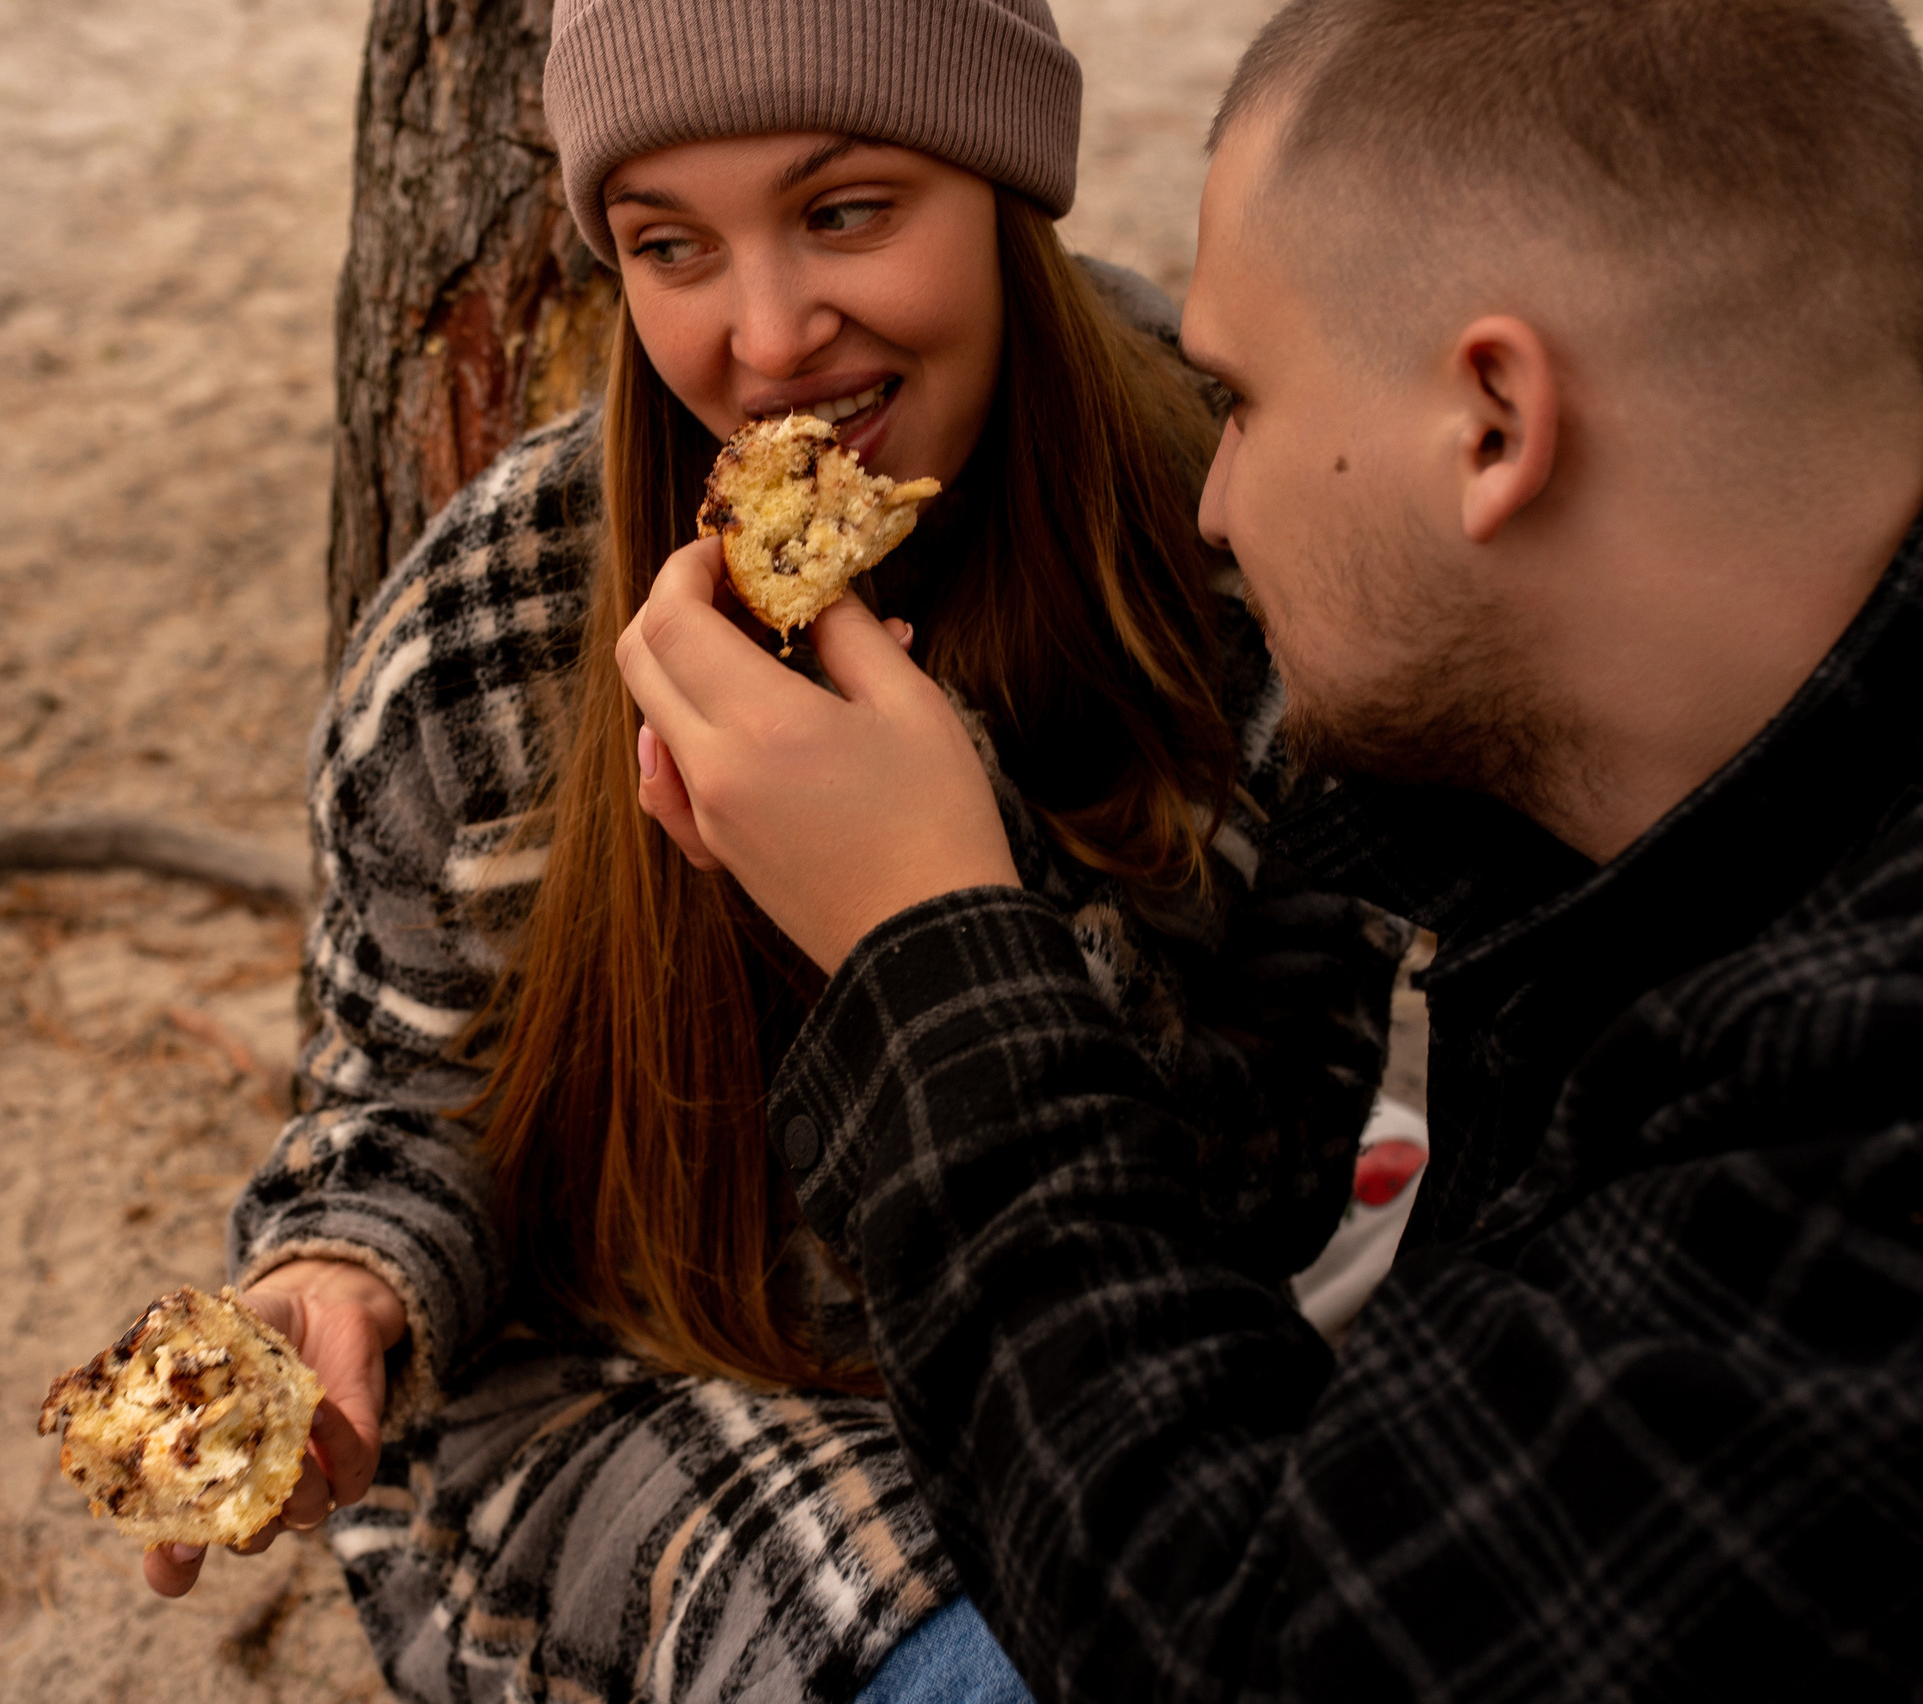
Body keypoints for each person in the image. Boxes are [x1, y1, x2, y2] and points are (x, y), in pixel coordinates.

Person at [616, 0, 1923, 1696]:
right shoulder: (1827, 771)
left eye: (1241, 402)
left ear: (1493, 420)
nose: (1213, 505)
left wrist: (926, 938)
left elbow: (1261, 1647)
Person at [144, 3, 1408, 1700]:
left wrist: (948, 897)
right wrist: (342, 1276)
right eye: (671, 245)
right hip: (652, 1393)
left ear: (1004, 185)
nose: (767, 337)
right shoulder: (487, 638)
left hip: (1104, 1347)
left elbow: (1276, 1186)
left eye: (844, 211)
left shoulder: (1228, 539)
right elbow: (399, 1107)